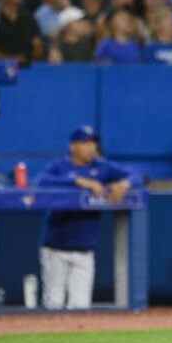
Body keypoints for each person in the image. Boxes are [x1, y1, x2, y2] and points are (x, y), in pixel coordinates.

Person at [35, 126, 131, 310]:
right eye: (85, 143)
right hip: (55, 248)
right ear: (73, 146)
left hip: (85, 250)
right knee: (53, 304)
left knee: (80, 307)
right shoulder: (60, 166)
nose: (91, 147)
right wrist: (76, 180)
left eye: (93, 143)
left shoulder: (102, 167)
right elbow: (40, 182)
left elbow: (138, 175)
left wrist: (125, 183)